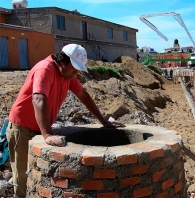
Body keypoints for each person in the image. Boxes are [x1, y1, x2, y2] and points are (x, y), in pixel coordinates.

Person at [6, 44, 125, 197]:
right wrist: (48, 135)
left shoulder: (67, 75)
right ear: (62, 61)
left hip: (39, 127)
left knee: (38, 175)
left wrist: (104, 121)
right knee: (23, 177)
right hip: (22, 128)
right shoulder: (45, 69)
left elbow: (84, 96)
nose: (75, 73)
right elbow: (38, 99)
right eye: (74, 69)